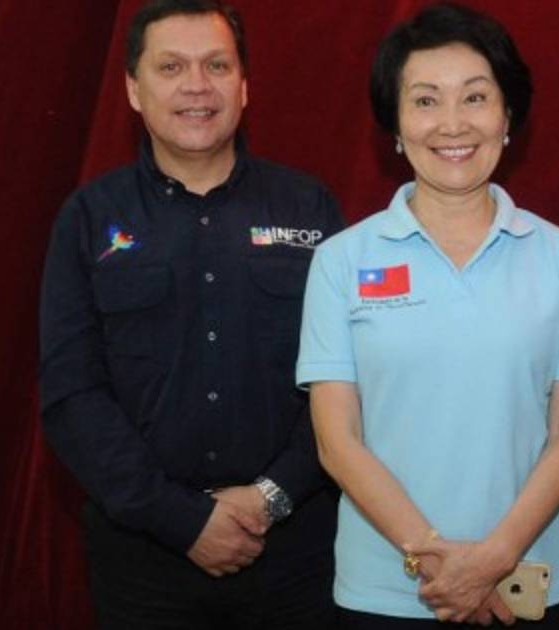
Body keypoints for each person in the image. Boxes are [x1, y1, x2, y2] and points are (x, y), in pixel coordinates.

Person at [296, 4, 559, 628]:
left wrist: (492, 559)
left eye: (475, 97)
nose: (452, 123)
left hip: (535, 583)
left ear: (507, 115)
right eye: (425, 100)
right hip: (389, 592)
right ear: (395, 124)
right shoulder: (340, 261)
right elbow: (337, 441)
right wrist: (440, 563)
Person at [38, 1, 343, 627]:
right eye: (171, 67)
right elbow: (73, 393)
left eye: (217, 65)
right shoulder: (89, 218)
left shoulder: (309, 208)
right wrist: (182, 520)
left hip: (294, 552)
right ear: (134, 88)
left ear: (244, 85)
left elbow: (346, 380)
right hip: (143, 558)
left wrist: (270, 498)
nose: (197, 86)